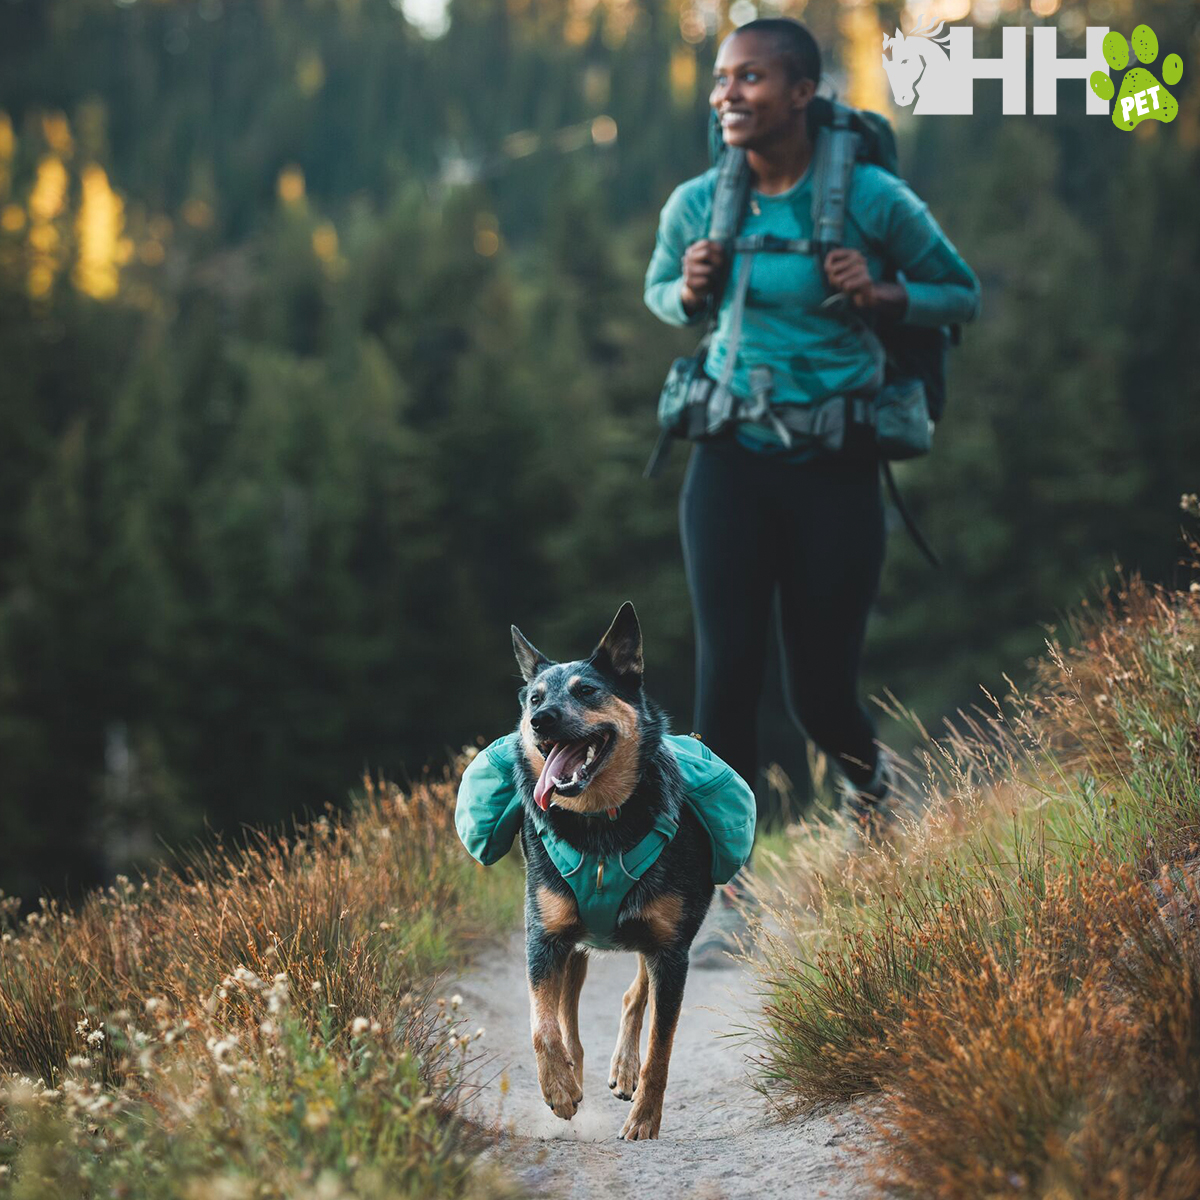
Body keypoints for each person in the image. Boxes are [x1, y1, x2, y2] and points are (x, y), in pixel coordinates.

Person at [644, 19, 980, 959]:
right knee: (727, 677)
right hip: (729, 462)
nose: (727, 95)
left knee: (820, 693)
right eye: (721, 80)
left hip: (837, 468)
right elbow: (659, 288)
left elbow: (962, 293)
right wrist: (687, 289)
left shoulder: (872, 198)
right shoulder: (702, 201)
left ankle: (870, 789)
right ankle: (721, 895)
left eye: (749, 78)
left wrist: (883, 294)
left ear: (802, 93)